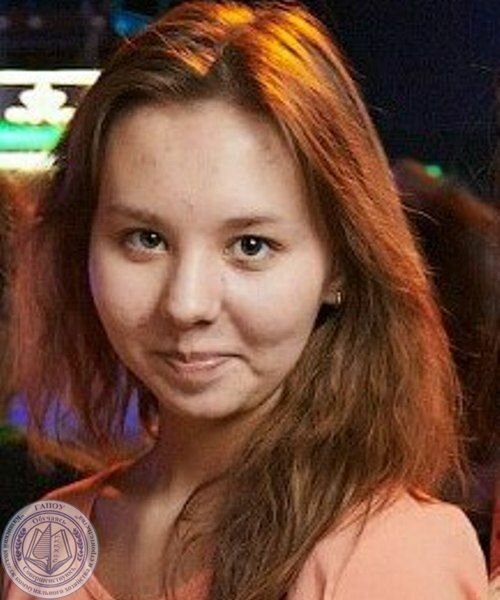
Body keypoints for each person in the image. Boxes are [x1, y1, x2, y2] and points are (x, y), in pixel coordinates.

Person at [2, 2, 488, 598]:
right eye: (146, 239)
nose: (186, 304)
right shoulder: (52, 538)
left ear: (339, 265)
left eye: (250, 246)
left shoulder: (391, 549)